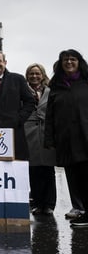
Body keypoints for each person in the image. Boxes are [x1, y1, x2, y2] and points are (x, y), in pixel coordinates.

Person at [45, 49, 88, 227]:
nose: (69, 62)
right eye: (65, 60)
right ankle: (80, 209)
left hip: (85, 138)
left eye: (72, 59)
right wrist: (49, 139)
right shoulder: (56, 87)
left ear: (79, 62)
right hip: (66, 139)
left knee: (86, 176)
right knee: (73, 176)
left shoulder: (86, 83)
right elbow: (50, 115)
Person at [24, 63, 56, 215]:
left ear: (42, 75)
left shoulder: (51, 91)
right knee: (33, 170)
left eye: (37, 73)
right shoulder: (23, 91)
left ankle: (49, 204)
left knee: (48, 170)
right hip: (29, 132)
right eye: (31, 74)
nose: (34, 76)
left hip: (46, 132)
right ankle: (36, 202)